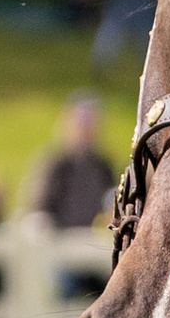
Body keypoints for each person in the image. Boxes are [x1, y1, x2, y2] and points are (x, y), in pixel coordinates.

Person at [30, 96, 117, 231]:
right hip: (61, 241)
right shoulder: (55, 163)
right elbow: (39, 207)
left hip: (93, 239)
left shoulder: (103, 165)